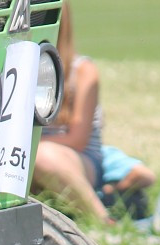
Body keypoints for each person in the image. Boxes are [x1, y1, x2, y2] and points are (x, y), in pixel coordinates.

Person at [32, 2, 114, 225]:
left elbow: (78, 139)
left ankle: (101, 220)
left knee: (42, 157)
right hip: (34, 156)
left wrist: (30, 148)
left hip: (77, 159)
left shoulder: (82, 71)